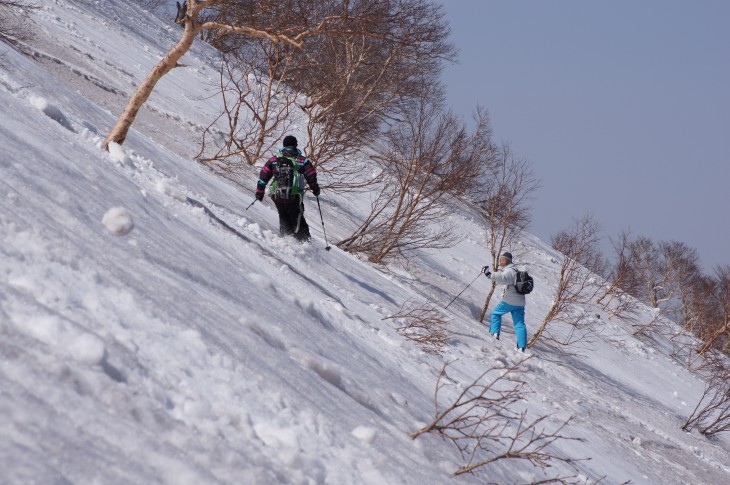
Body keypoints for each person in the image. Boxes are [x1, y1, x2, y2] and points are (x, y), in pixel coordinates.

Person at [255, 135, 320, 242]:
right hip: (294, 197)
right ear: (295, 145)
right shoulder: (302, 161)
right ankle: (305, 244)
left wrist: (259, 191)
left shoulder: (274, 159)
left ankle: (286, 239)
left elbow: (263, 175)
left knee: (283, 216)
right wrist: (315, 189)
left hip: (277, 196)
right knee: (298, 219)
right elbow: (311, 176)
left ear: (284, 145)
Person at [482, 251, 528, 351]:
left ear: (507, 260)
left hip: (509, 300)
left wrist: (489, 274)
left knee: (495, 314)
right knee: (520, 324)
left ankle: (495, 333)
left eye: (502, 260)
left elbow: (503, 278)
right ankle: (522, 346)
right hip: (520, 302)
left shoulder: (510, 271)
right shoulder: (515, 271)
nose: (500, 262)